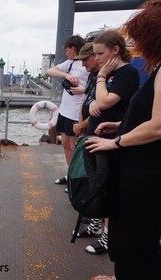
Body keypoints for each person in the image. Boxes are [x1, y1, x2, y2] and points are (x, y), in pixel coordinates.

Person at [86, 1, 161, 278]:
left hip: (146, 172)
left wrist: (114, 142)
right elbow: (148, 115)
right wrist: (121, 124)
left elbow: (158, 126)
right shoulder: (156, 71)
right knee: (131, 233)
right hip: (139, 168)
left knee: (137, 238)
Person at [79, 29, 140, 257]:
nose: (97, 59)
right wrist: (97, 98)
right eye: (95, 54)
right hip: (96, 135)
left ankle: (107, 234)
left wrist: (103, 76)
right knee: (96, 182)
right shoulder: (104, 74)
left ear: (116, 50)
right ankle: (96, 222)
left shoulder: (127, 74)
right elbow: (95, 98)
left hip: (111, 138)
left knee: (107, 185)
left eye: (101, 54)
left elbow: (105, 101)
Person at [46, 35, 89, 185]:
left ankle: (77, 178)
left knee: (74, 145)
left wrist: (84, 89)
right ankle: (70, 174)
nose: (66, 53)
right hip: (65, 110)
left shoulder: (87, 64)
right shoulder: (69, 64)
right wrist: (66, 75)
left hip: (77, 111)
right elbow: (50, 71)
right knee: (65, 143)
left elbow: (96, 84)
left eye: (67, 50)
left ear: (74, 49)